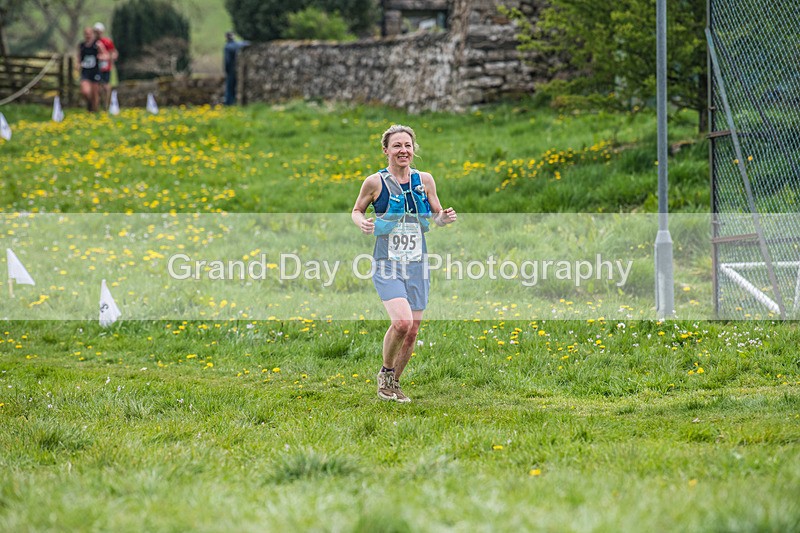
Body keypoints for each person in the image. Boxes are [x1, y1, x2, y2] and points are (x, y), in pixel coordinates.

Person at [351, 125, 457, 402]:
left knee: (412, 332)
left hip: (417, 264)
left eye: (408, 145)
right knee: (401, 322)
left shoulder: (425, 180)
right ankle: (385, 374)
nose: (403, 150)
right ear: (386, 150)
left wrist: (444, 217)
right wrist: (362, 222)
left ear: (414, 149)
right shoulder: (375, 182)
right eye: (397, 145)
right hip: (387, 263)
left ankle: (393, 384)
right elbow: (357, 209)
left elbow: (436, 216)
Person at [77, 27, 107, 112]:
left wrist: (101, 57)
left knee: (95, 93)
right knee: (85, 92)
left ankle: (95, 111)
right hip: (85, 71)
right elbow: (79, 57)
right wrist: (78, 64)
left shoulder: (97, 44)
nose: (88, 35)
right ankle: (90, 104)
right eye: (86, 34)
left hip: (95, 71)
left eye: (89, 33)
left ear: (92, 34)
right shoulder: (82, 45)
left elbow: (105, 55)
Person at [93, 22, 118, 110]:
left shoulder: (107, 42)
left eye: (99, 31)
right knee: (97, 86)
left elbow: (114, 53)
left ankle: (107, 104)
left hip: (105, 67)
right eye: (96, 31)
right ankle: (98, 104)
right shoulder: (93, 42)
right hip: (95, 67)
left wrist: (108, 58)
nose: (98, 33)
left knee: (106, 86)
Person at [223, 31, 250, 106]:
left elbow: (227, 61)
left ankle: (229, 103)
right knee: (235, 86)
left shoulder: (227, 47)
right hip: (238, 68)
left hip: (231, 69)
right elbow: (246, 43)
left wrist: (226, 70)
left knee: (229, 87)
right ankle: (234, 102)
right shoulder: (238, 45)